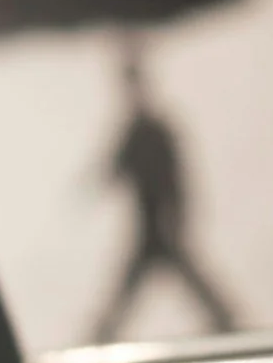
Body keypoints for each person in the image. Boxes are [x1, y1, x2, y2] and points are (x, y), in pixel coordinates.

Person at [91, 31, 239, 341]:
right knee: (141, 285)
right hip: (149, 228)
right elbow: (114, 167)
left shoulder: (155, 130)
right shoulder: (135, 131)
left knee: (163, 280)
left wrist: (179, 214)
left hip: (162, 226)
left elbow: (176, 177)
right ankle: (101, 339)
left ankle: (229, 325)